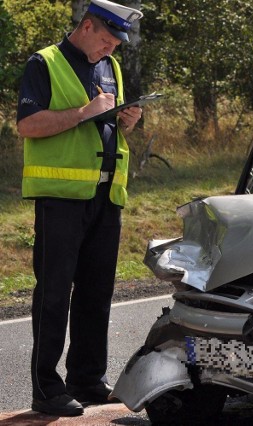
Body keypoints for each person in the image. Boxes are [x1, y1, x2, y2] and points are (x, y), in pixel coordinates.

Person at [16, 0, 143, 417]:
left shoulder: (111, 66)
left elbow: (106, 123)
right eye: (106, 40)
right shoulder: (45, 62)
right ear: (86, 27)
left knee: (96, 294)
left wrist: (126, 120)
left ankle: (87, 380)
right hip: (61, 199)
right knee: (53, 295)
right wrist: (85, 113)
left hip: (106, 197)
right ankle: (46, 389)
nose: (110, 49)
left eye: (115, 45)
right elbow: (28, 124)